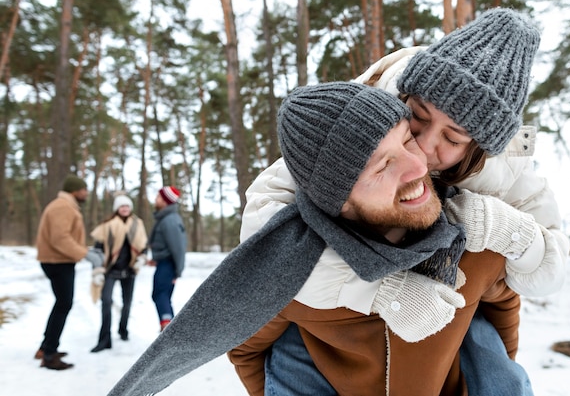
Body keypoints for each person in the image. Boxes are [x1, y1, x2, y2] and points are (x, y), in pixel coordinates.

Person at [228, 8, 570, 395]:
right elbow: (262, 227)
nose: (424, 148)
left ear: (481, 145)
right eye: (417, 117)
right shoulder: (359, 115)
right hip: (329, 344)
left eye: (453, 139)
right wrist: (380, 292)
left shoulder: (504, 170)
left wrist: (506, 229)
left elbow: (547, 270)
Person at [107, 81, 478, 396]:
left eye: (407, 140)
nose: (420, 164)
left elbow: (500, 336)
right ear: (339, 202)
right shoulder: (294, 277)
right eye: (383, 165)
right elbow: (246, 350)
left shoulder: (477, 236)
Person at [35, 174, 102, 370]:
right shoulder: (62, 207)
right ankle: (49, 355)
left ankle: (45, 347)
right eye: (84, 189)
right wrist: (84, 254)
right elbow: (60, 238)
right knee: (63, 305)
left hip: (58, 261)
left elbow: (65, 237)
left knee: (61, 304)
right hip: (58, 262)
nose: (86, 193)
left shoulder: (65, 205)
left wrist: (85, 250)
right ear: (75, 190)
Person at [89, 193, 148, 352]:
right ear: (117, 208)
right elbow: (97, 250)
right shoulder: (106, 225)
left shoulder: (137, 224)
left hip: (129, 270)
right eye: (122, 206)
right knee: (106, 301)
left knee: (127, 302)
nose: (125, 209)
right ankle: (104, 339)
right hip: (109, 270)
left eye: (127, 206)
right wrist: (97, 271)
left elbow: (143, 246)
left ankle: (123, 330)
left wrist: (142, 258)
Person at [147, 186, 186, 332]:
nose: (155, 200)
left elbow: (178, 247)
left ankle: (167, 326)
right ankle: (170, 328)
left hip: (168, 265)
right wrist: (156, 258)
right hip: (164, 263)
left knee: (160, 294)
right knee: (162, 295)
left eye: (158, 197)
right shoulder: (166, 218)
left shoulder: (170, 220)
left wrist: (177, 271)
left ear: (165, 201)